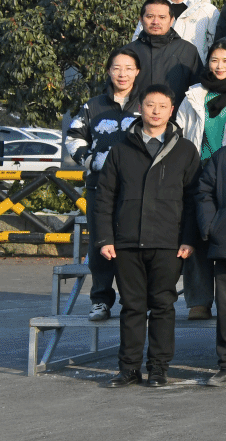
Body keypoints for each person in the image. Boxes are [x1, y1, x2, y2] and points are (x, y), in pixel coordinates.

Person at [93, 85, 200, 388]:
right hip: (127, 242)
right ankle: (128, 368)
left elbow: (194, 199)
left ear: (171, 110)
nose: (155, 111)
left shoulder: (185, 150)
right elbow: (105, 197)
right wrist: (105, 239)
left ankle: (158, 368)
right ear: (139, 108)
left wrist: (189, 238)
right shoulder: (121, 149)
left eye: (162, 106)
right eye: (150, 105)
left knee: (163, 306)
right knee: (132, 307)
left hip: (168, 242)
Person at [65, 50, 144, 324]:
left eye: (129, 68)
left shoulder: (147, 103)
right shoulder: (93, 105)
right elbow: (74, 137)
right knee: (101, 242)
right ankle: (100, 299)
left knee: (131, 245)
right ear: (109, 71)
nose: (122, 74)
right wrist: (91, 160)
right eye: (116, 68)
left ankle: (132, 300)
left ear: (137, 72)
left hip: (137, 189)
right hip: (99, 186)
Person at [126, 0, 200, 96]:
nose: (156, 22)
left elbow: (197, 91)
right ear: (141, 20)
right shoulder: (128, 52)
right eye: (150, 16)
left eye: (162, 17)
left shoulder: (188, 51)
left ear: (171, 20)